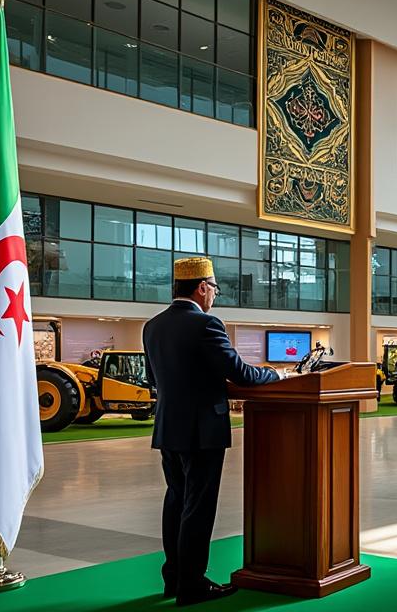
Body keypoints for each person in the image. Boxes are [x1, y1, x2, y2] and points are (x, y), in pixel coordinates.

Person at [144, 257, 280, 606]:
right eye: (214, 288)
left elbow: (153, 379)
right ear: (202, 287)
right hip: (202, 430)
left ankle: (174, 578)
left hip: (169, 428)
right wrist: (277, 375)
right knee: (198, 508)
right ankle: (192, 585)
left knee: (176, 500)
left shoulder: (153, 326)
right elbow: (241, 374)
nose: (215, 295)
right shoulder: (206, 323)